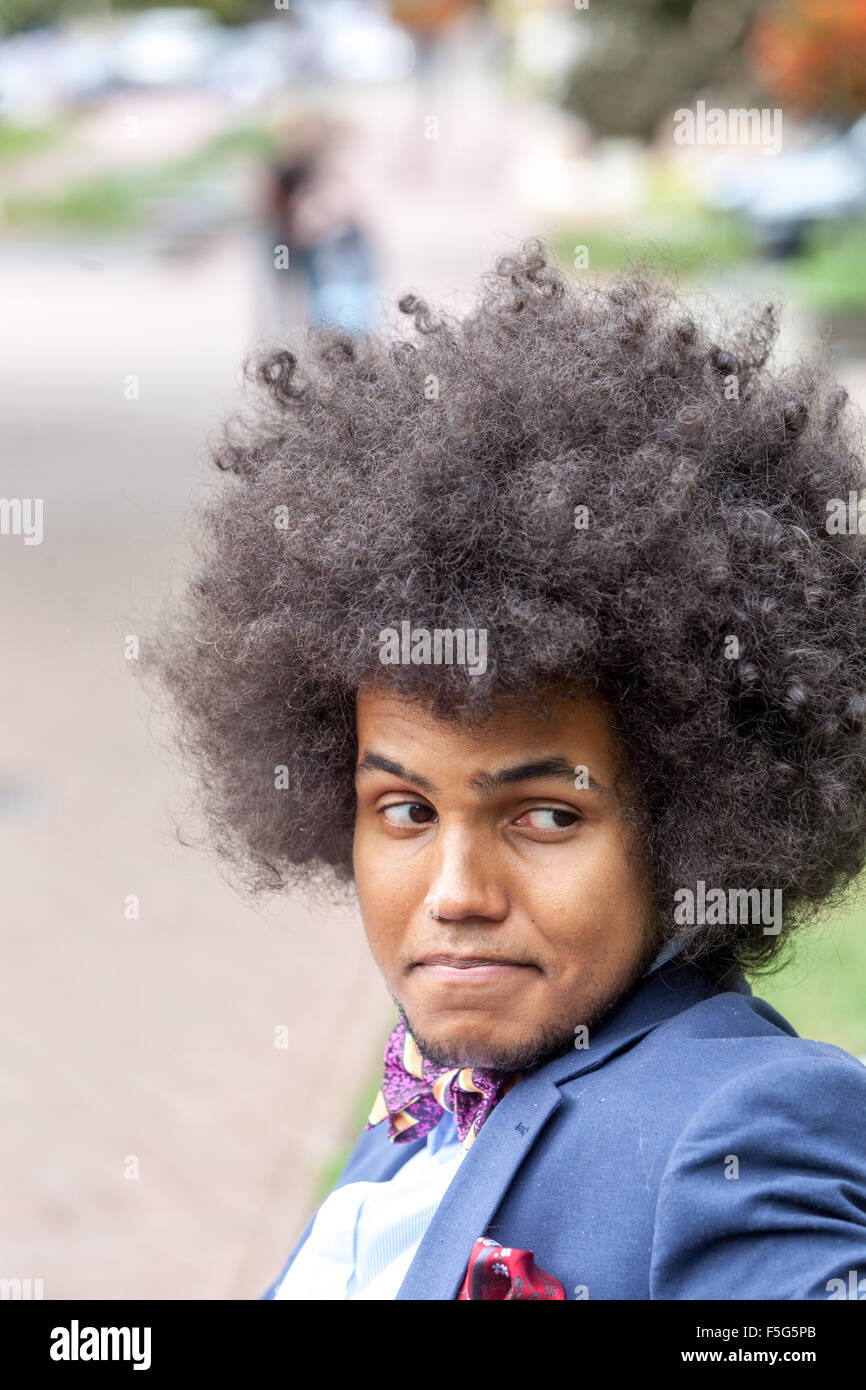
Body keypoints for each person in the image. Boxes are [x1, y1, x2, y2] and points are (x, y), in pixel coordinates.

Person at [150, 241, 866, 1300]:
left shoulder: (740, 1123)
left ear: (690, 817)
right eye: (402, 808)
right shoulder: (429, 1095)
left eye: (540, 815)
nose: (453, 896)